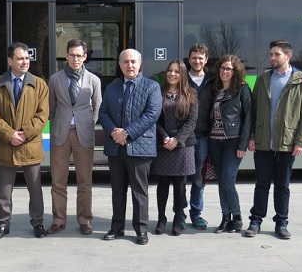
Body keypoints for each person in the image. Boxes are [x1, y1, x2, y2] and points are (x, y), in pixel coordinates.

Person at [246, 40, 302, 239]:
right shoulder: (263, 78)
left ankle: (281, 223)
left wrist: (300, 141)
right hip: (263, 142)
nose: (272, 58)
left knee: (282, 185)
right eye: (271, 54)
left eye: (276, 54)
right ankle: (256, 221)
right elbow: (254, 110)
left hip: (287, 142)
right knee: (262, 184)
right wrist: (252, 136)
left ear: (288, 56)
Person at [0, 42, 49, 240]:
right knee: (5, 190)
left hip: (30, 144)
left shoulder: (39, 85)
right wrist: (9, 135)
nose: (25, 62)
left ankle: (38, 223)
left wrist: (24, 133)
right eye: (20, 58)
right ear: (10, 61)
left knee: (35, 189)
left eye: (27, 58)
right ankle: (3, 224)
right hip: (6, 145)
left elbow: (42, 115)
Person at [99, 49, 161, 245]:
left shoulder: (152, 87)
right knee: (117, 190)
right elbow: (103, 112)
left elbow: (152, 115)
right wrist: (114, 133)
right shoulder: (111, 88)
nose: (130, 65)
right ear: (120, 65)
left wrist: (126, 133)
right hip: (116, 148)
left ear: (140, 63)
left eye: (133, 61)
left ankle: (141, 230)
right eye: (125, 62)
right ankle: (116, 228)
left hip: (140, 147)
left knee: (139, 191)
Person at [46, 39, 101, 236]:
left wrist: (86, 124)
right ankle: (59, 219)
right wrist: (60, 124)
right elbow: (51, 108)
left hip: (83, 135)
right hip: (60, 134)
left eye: (79, 55)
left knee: (84, 181)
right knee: (58, 181)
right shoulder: (55, 79)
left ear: (85, 57)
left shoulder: (94, 80)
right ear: (66, 56)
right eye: (72, 54)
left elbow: (96, 108)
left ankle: (84, 220)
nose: (75, 58)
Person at [151, 60, 198, 236]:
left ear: (183, 74)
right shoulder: (158, 92)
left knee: (180, 185)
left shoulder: (191, 94)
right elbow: (154, 118)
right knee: (162, 184)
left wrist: (177, 139)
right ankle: (161, 218)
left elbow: (192, 121)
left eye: (177, 72)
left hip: (183, 145)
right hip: (163, 144)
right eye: (170, 71)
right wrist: (165, 138)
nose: (172, 74)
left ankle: (178, 218)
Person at [208, 55, 252, 234]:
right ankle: (225, 218)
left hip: (232, 142)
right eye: (222, 68)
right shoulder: (216, 89)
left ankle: (238, 217)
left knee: (228, 181)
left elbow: (248, 118)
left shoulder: (242, 90)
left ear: (236, 71)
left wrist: (243, 145)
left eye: (229, 69)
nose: (225, 71)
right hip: (214, 141)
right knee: (221, 182)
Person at [187, 43, 214, 230]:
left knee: (198, 179)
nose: (197, 61)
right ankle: (179, 214)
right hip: (183, 138)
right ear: (189, 59)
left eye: (200, 58)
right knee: (179, 179)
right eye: (194, 57)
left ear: (206, 60)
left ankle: (196, 214)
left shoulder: (213, 80)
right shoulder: (180, 78)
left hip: (203, 137)